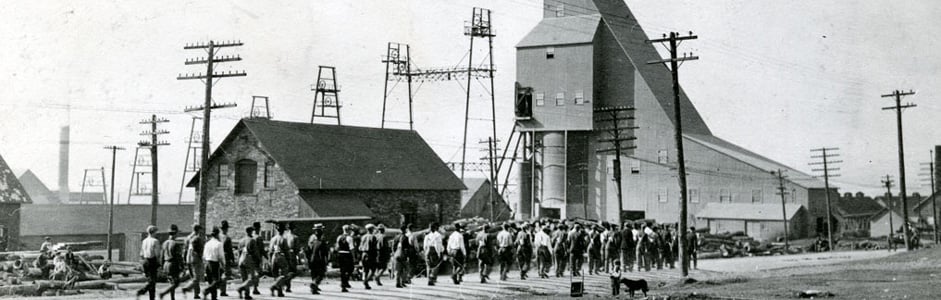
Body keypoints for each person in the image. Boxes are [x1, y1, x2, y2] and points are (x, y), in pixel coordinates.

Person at [160, 224, 184, 300]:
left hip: (165, 264)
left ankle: (172, 298)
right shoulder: (176, 244)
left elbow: (161, 256)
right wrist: (182, 266)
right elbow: (178, 257)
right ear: (176, 233)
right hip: (173, 264)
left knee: (171, 282)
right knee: (176, 283)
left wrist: (162, 266)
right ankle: (164, 293)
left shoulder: (164, 243)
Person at [136, 225, 160, 300]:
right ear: (154, 232)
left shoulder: (144, 241)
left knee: (150, 280)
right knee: (153, 281)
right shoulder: (155, 241)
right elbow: (157, 254)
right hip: (152, 260)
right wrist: (159, 263)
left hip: (145, 261)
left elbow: (141, 253)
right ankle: (142, 291)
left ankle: (151, 297)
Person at [202, 226, 226, 300]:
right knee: (216, 281)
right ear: (217, 234)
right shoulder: (219, 244)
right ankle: (206, 290)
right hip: (214, 263)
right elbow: (220, 256)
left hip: (207, 262)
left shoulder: (207, 244)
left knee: (210, 281)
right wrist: (223, 265)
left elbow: (204, 255)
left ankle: (214, 297)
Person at [181, 224, 205, 298]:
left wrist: (184, 259)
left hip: (188, 257)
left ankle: (196, 294)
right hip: (195, 257)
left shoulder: (188, 238)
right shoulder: (198, 238)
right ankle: (190, 289)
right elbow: (200, 250)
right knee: (196, 276)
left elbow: (184, 249)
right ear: (199, 229)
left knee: (193, 276)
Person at [268, 223, 291, 297]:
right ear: (283, 231)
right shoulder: (283, 239)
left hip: (273, 256)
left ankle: (279, 291)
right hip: (281, 256)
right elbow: (286, 250)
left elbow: (270, 251)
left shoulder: (273, 239)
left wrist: (270, 260)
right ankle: (274, 286)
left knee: (276, 275)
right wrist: (289, 260)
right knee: (284, 275)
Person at [236, 226, 259, 300]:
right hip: (248, 259)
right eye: (252, 231)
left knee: (244, 278)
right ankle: (241, 288)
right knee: (251, 278)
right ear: (250, 232)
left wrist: (238, 261)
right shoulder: (252, 240)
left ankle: (246, 294)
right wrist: (257, 260)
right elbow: (255, 252)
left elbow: (239, 252)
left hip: (241, 259)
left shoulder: (241, 240)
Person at [306, 224, 329, 295]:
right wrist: (327, 259)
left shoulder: (311, 238)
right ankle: (314, 284)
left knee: (314, 272)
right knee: (321, 273)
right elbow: (325, 251)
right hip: (320, 258)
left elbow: (308, 249)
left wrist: (308, 258)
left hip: (312, 258)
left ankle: (314, 287)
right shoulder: (322, 239)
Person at [336, 225, 356, 292]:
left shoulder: (339, 237)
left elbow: (337, 247)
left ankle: (344, 282)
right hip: (347, 254)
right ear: (348, 230)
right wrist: (354, 257)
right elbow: (352, 248)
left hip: (340, 254)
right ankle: (344, 283)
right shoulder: (349, 238)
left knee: (342, 270)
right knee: (350, 269)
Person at [359, 224, 380, 290]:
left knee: (365, 269)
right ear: (372, 229)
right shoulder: (373, 237)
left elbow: (360, 247)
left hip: (363, 254)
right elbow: (375, 247)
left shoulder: (363, 237)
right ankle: (366, 281)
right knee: (373, 269)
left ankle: (366, 282)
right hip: (371, 254)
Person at [218, 221, 234, 297]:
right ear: (226, 229)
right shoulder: (227, 238)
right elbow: (230, 250)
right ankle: (223, 290)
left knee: (219, 273)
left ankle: (220, 288)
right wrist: (232, 258)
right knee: (225, 274)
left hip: (217, 257)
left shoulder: (218, 237)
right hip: (225, 257)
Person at [392, 224, 411, 288]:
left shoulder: (396, 237)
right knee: (405, 268)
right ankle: (402, 281)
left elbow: (393, 246)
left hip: (396, 254)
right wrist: (407, 255)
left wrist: (394, 253)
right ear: (405, 229)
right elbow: (406, 248)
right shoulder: (405, 237)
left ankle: (397, 282)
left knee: (397, 269)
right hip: (402, 254)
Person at [282, 224, 298, 293]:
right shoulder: (295, 237)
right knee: (293, 271)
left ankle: (287, 286)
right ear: (293, 229)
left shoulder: (284, 236)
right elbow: (297, 248)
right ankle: (286, 284)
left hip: (285, 254)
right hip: (292, 254)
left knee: (287, 271)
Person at [250, 222, 264, 295]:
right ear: (259, 228)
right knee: (258, 273)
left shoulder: (251, 236)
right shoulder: (259, 237)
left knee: (252, 273)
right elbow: (262, 249)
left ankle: (252, 287)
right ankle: (255, 288)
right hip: (257, 257)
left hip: (250, 257)